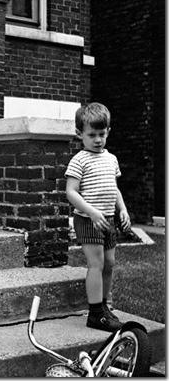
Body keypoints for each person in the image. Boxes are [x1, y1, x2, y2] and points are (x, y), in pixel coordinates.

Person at [65, 103, 131, 332]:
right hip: (87, 218)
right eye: (91, 135)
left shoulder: (111, 159)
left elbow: (114, 188)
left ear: (108, 132)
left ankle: (104, 306)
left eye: (102, 134)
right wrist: (92, 212)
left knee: (109, 263)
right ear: (79, 134)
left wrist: (122, 209)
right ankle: (95, 314)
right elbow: (71, 192)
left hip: (107, 219)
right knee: (96, 263)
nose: (97, 139)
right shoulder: (79, 160)